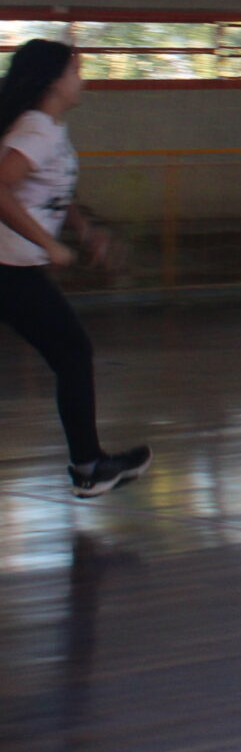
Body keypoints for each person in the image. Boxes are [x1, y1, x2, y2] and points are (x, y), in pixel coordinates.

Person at [0, 39, 151, 497]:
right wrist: (48, 243)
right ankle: (89, 466)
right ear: (53, 81)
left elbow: (48, 192)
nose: (80, 79)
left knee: (71, 353)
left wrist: (84, 232)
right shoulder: (36, 131)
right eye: (74, 71)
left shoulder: (48, 129)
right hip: (7, 269)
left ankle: (90, 462)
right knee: (72, 352)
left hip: (14, 267)